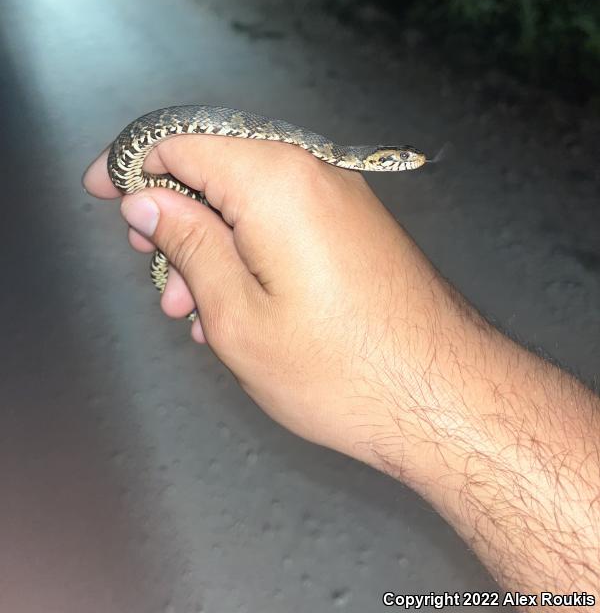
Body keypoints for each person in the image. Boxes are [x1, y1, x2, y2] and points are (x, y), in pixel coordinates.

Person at [83, 132, 600, 602]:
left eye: (400, 161)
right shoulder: (320, 151)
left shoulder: (328, 156)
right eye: (396, 161)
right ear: (373, 159)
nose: (406, 164)